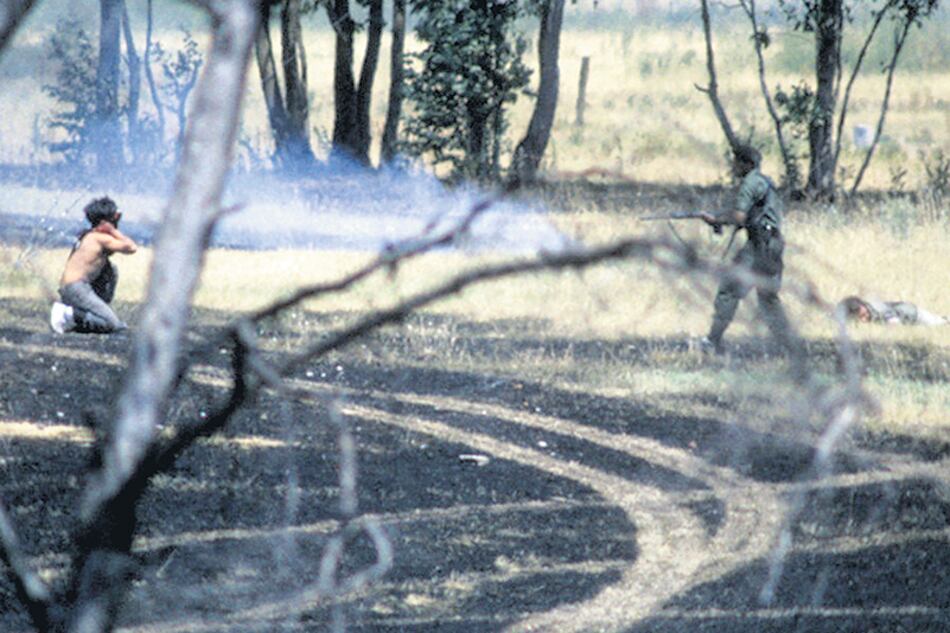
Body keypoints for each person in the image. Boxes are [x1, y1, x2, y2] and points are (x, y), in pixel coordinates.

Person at [697, 145, 799, 360]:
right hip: (773, 244)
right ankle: (790, 348)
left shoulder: (749, 184)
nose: (734, 167)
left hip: (758, 246)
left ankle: (713, 341)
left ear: (746, 164)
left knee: (729, 289)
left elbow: (740, 217)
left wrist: (716, 219)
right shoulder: (765, 181)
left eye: (736, 162)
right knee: (768, 297)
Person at [49, 197, 138, 334]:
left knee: (111, 270)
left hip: (72, 288)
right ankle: (69, 314)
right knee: (111, 325)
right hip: (77, 288)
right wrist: (112, 231)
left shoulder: (88, 236)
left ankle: (83, 315)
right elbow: (131, 247)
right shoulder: (99, 238)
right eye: (115, 217)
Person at [838, 295, 949, 326]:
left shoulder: (878, 309)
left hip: (913, 315)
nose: (861, 317)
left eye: (859, 311)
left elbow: (894, 322)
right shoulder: (868, 310)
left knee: (938, 323)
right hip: (907, 313)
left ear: (862, 306)